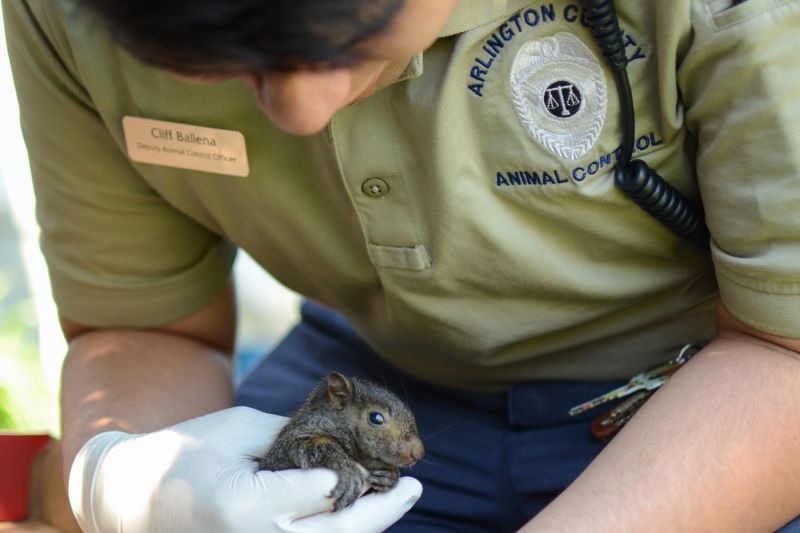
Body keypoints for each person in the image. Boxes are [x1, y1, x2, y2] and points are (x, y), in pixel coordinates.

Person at [4, 0, 800, 531]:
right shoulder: (63, 13)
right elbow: (145, 322)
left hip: (722, 398)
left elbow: (786, 347)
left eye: (351, 33)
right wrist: (125, 480)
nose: (300, 112)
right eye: (216, 63)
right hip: (376, 363)